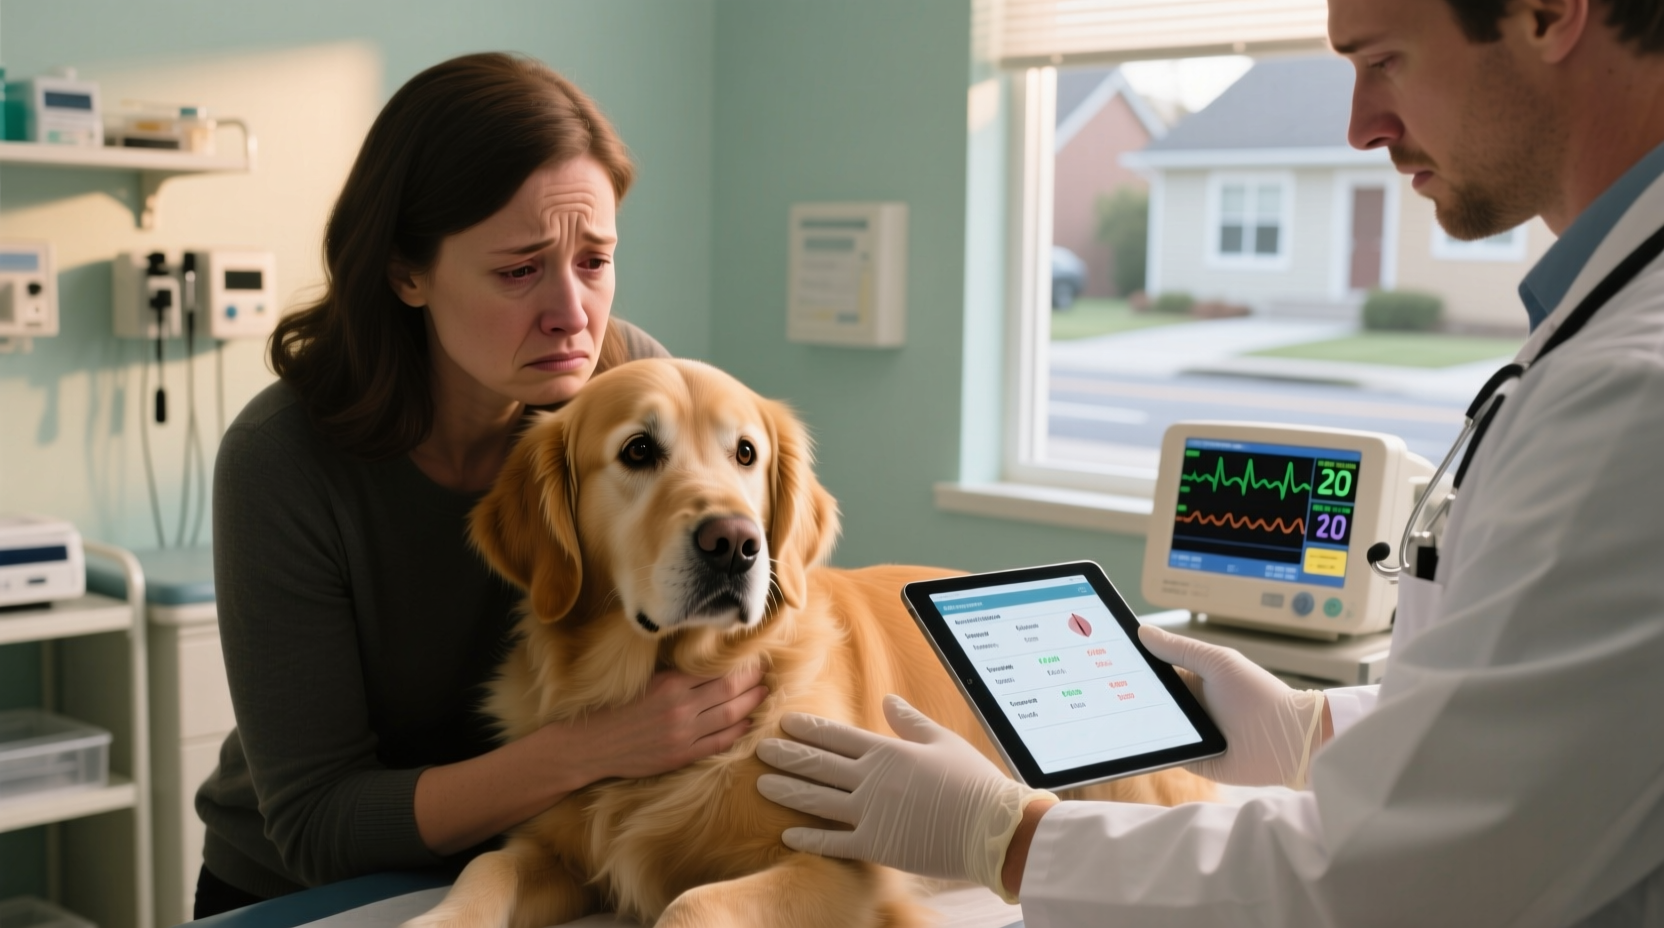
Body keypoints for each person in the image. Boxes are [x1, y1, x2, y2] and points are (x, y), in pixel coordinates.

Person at [756, 0, 1664, 923]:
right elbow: (1543, 730)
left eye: (1383, 60)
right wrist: (1314, 732)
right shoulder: (1603, 331)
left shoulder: (1630, 396)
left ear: (1549, 14)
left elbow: (1408, 880)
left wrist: (1011, 839)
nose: (1361, 127)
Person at [197, 53, 768, 916]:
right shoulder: (281, 462)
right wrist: (590, 750)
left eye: (595, 260)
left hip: (548, 865)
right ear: (406, 273)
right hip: (311, 889)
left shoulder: (631, 394)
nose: (573, 314)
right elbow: (318, 821)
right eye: (519, 269)